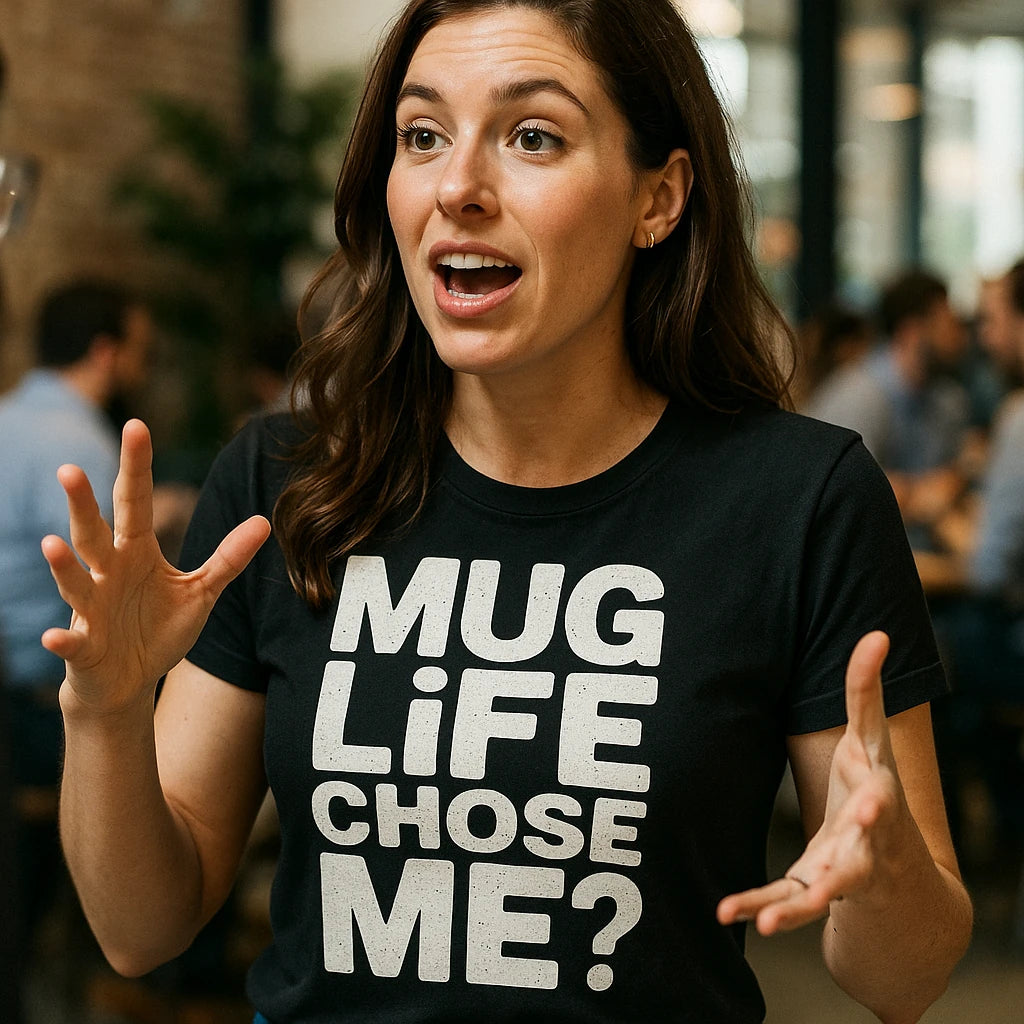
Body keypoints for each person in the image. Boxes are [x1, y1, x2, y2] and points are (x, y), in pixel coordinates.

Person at [44, 2, 971, 1023]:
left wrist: (882, 867)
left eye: (533, 135)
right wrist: (110, 710)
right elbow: (141, 928)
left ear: (657, 198)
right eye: (422, 135)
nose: (457, 188)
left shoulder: (799, 498)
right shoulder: (287, 480)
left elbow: (905, 977)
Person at [0, 278, 151, 993]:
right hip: (30, 706)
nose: (141, 370)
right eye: (140, 353)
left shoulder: (7, 417)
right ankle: (129, 967)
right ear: (107, 353)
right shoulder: (81, 444)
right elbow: (109, 596)